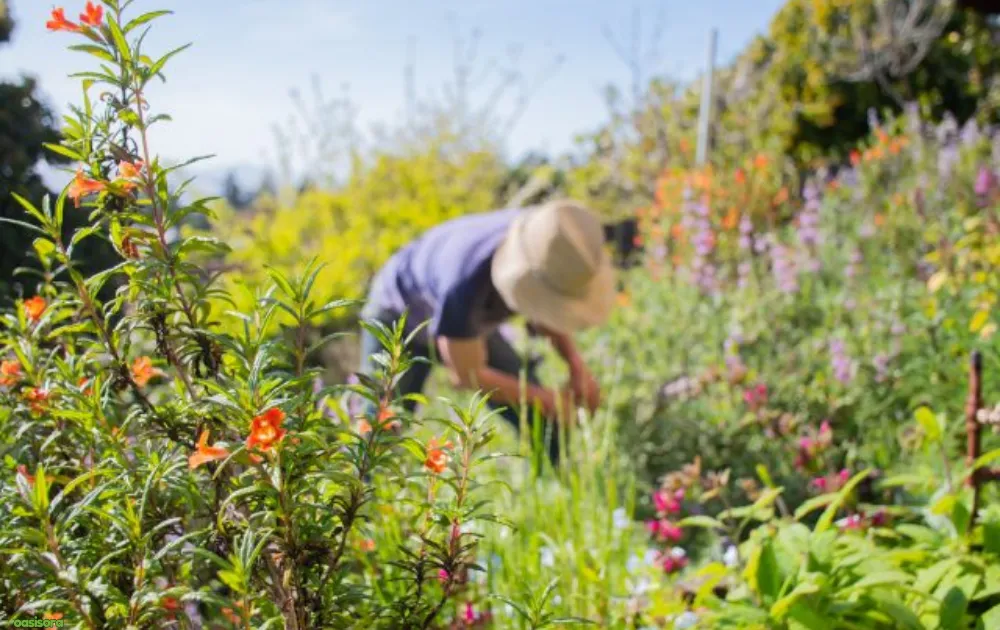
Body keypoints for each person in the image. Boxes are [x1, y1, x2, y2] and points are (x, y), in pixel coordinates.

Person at [358, 199, 616, 465]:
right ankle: (362, 487)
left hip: (464, 311)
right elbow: (467, 374)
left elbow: (549, 308)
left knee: (540, 419)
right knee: (380, 430)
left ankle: (559, 477)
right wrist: (549, 401)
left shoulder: (554, 242)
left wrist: (576, 365)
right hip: (398, 313)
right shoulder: (464, 284)